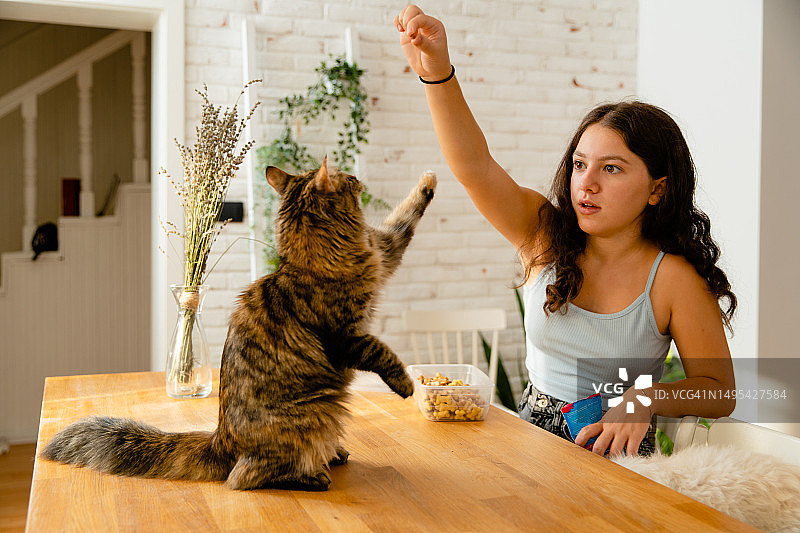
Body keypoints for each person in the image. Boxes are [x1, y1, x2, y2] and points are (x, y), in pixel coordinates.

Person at [394, 5, 737, 457]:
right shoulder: (543, 237)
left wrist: (644, 398)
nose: (586, 184)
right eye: (580, 165)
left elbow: (719, 390)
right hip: (529, 449)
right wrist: (437, 72)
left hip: (619, 462)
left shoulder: (672, 279)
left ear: (657, 189)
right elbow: (474, 167)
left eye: (611, 168)